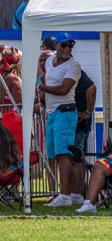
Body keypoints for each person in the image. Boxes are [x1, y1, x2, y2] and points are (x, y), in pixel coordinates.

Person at [39, 33, 81, 208]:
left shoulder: (74, 64)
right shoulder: (49, 62)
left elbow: (64, 89)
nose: (67, 49)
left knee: (64, 155)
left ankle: (65, 196)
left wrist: (42, 88)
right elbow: (47, 79)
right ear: (55, 46)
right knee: (56, 155)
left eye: (70, 45)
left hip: (65, 112)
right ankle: (73, 195)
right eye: (64, 45)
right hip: (52, 113)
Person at [69, 70, 96, 204]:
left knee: (76, 159)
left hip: (79, 125)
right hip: (77, 124)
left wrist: (87, 112)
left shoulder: (75, 70)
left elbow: (92, 88)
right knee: (78, 158)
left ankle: (78, 193)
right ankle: (79, 192)